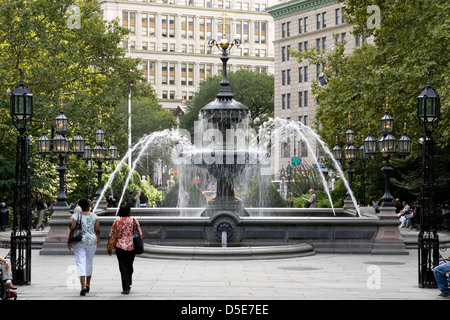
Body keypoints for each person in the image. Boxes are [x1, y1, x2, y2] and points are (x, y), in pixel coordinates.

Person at [108, 204, 143, 294]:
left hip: (120, 246)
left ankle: (126, 287)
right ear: (129, 211)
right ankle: (129, 283)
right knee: (129, 265)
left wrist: (110, 246)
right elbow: (140, 233)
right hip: (131, 246)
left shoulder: (116, 221)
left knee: (123, 266)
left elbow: (112, 234)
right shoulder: (134, 220)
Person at [68, 198, 100, 296]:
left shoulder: (76, 216)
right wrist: (98, 237)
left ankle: (82, 286)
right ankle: (88, 283)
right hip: (91, 241)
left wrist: (69, 240)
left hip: (79, 241)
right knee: (89, 262)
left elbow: (73, 228)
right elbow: (97, 229)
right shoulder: (94, 216)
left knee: (80, 263)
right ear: (89, 206)